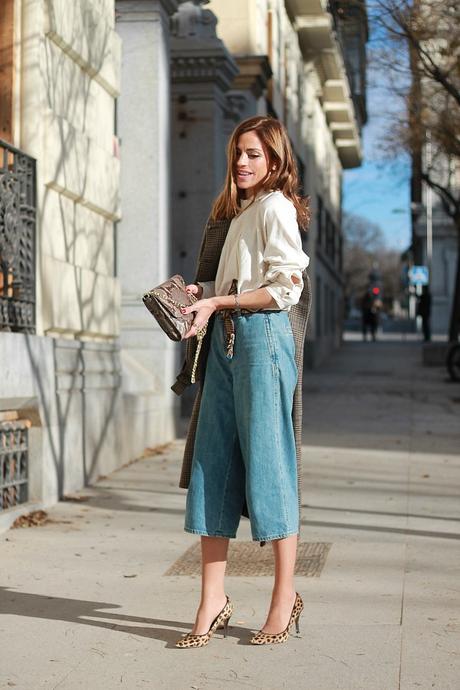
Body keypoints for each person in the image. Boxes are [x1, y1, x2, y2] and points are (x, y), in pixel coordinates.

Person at [172, 116, 311, 648]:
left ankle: (284, 596)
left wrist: (222, 300)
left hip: (263, 341)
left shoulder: (275, 207)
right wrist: (199, 292)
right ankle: (213, 598)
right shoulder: (239, 212)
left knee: (270, 461)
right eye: (238, 153)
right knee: (212, 461)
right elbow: (233, 279)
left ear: (275, 160)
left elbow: (285, 287)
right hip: (228, 342)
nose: (242, 163)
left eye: (253, 154)